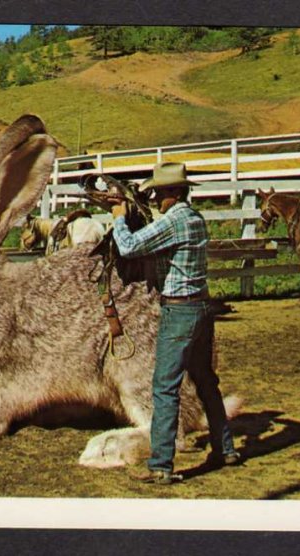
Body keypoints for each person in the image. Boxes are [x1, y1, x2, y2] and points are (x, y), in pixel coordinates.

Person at [110, 162, 240, 485]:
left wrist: (118, 219)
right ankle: (226, 449)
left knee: (164, 388)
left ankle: (161, 465)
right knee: (206, 381)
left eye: (158, 193)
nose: (155, 199)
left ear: (171, 193)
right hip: (200, 309)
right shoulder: (195, 219)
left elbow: (128, 247)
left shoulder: (175, 221)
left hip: (178, 312)